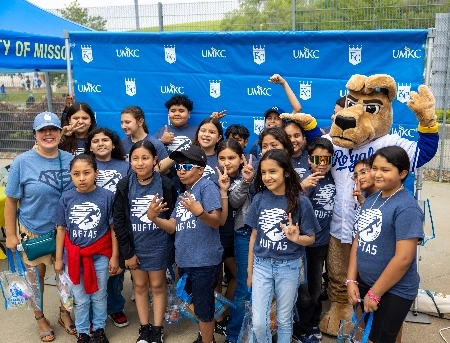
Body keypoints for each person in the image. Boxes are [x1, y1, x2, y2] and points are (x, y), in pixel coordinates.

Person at [4, 111, 75, 342]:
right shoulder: (22, 162)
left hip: (64, 231)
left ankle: (65, 313)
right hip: (33, 231)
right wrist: (12, 235)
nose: (48, 134)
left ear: (60, 133)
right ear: (35, 134)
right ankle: (40, 318)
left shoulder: (69, 159)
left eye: (53, 129)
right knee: (34, 281)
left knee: (66, 279)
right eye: (42, 130)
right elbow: (12, 201)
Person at [347, 146, 424, 343]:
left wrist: (375, 293)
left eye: (385, 169)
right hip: (366, 282)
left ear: (403, 173)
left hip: (394, 290)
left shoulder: (406, 207)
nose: (377, 174)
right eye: (374, 168)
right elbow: (359, 239)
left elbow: (404, 258)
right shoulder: (371, 199)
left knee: (378, 339)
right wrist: (351, 280)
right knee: (369, 333)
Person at [152, 144, 223, 343]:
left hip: (204, 261)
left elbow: (216, 220)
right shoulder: (184, 194)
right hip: (185, 259)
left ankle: (208, 340)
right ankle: (206, 335)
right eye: (178, 167)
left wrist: (199, 212)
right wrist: (154, 218)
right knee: (195, 301)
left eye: (187, 166)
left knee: (203, 305)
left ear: (200, 169)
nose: (181, 171)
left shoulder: (207, 187)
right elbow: (173, 226)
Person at [246, 149, 319, 343]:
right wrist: (249, 271)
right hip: (261, 265)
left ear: (286, 172)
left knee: (284, 320)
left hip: (289, 266)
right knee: (260, 323)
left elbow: (311, 238)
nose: (267, 177)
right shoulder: (259, 199)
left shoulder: (302, 202)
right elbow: (254, 236)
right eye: (263, 172)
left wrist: (296, 238)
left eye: (273, 172)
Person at [114, 140, 177, 343]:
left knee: (158, 286)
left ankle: (157, 329)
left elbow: (173, 217)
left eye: (145, 158)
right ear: (129, 161)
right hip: (135, 247)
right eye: (135, 158)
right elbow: (120, 221)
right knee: (139, 286)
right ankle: (144, 328)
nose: (140, 163)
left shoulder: (165, 184)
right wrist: (128, 253)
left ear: (155, 160)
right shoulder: (124, 185)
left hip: (158, 245)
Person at [53, 154, 118, 343]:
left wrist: (114, 257)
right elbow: (61, 229)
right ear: (71, 176)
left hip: (100, 255)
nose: (81, 178)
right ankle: (83, 332)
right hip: (74, 258)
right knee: (80, 299)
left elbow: (113, 229)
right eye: (76, 174)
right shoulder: (66, 198)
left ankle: (99, 329)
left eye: (87, 173)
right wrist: (59, 259)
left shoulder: (107, 197)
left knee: (99, 296)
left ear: (96, 173)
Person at [85, 127, 131, 328]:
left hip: (117, 225)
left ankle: (114, 307)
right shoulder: (85, 166)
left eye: (105, 140)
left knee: (115, 271)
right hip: (93, 226)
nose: (101, 144)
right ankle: (92, 311)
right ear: (90, 147)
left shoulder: (125, 166)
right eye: (95, 141)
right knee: (93, 271)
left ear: (113, 144)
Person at [293, 138, 336, 343]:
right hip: (301, 245)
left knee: (316, 289)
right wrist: (303, 187)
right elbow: (288, 206)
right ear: (309, 159)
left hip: (321, 244)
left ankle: (312, 323)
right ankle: (300, 328)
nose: (322, 163)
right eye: (317, 159)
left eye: (327, 159)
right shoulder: (300, 179)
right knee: (302, 291)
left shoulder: (335, 178)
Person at [217, 141, 255, 343]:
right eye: (222, 158)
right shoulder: (217, 178)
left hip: (253, 234)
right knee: (243, 283)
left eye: (231, 157)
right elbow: (232, 201)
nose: (226, 162)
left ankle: (251, 328)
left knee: (249, 283)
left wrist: (248, 179)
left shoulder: (253, 172)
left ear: (241, 158)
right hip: (234, 236)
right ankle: (233, 332)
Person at [249, 74, 302, 158]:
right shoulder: (258, 143)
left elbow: (297, 109)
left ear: (283, 122)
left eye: (277, 118)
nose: (272, 121)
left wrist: (284, 83)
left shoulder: (287, 140)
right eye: (269, 118)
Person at [120, 105, 172, 174]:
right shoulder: (121, 144)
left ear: (140, 122)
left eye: (127, 122)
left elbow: (167, 171)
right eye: (122, 122)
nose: (123, 126)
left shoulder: (156, 144)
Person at [192, 117, 224, 183]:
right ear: (198, 133)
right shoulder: (188, 155)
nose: (206, 134)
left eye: (212, 132)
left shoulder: (223, 159)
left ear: (219, 138)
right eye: (203, 131)